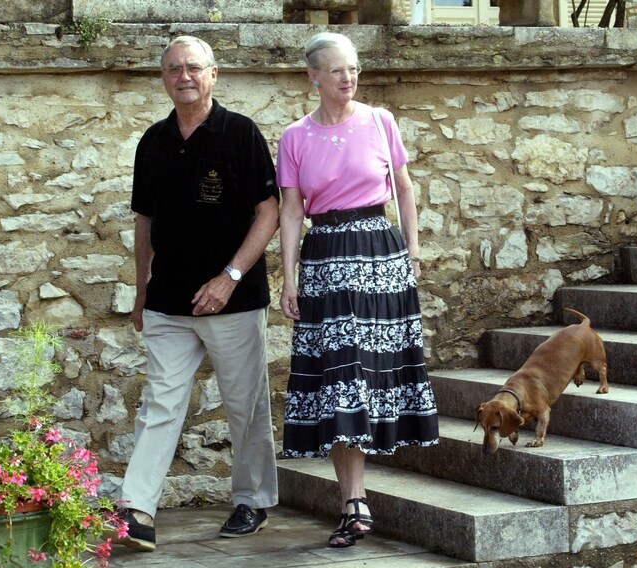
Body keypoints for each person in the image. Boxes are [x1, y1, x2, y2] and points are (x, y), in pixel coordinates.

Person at [113, 35, 280, 552]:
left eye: (192, 68)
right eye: (172, 69)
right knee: (159, 403)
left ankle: (252, 500)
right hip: (167, 301)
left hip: (234, 298)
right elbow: (145, 221)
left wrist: (229, 277)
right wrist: (141, 290)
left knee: (245, 404)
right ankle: (137, 509)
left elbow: (269, 212)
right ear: (163, 79)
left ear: (213, 74)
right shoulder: (153, 141)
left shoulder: (240, 133)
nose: (183, 76)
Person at [277, 32, 440, 549]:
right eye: (337, 70)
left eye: (353, 69)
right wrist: (288, 275)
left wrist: (412, 249)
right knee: (339, 379)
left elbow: (405, 187)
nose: (348, 78)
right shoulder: (295, 137)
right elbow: (289, 210)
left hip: (380, 257)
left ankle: (354, 500)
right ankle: (354, 500)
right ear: (314, 77)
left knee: (367, 378)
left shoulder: (380, 121)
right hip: (325, 258)